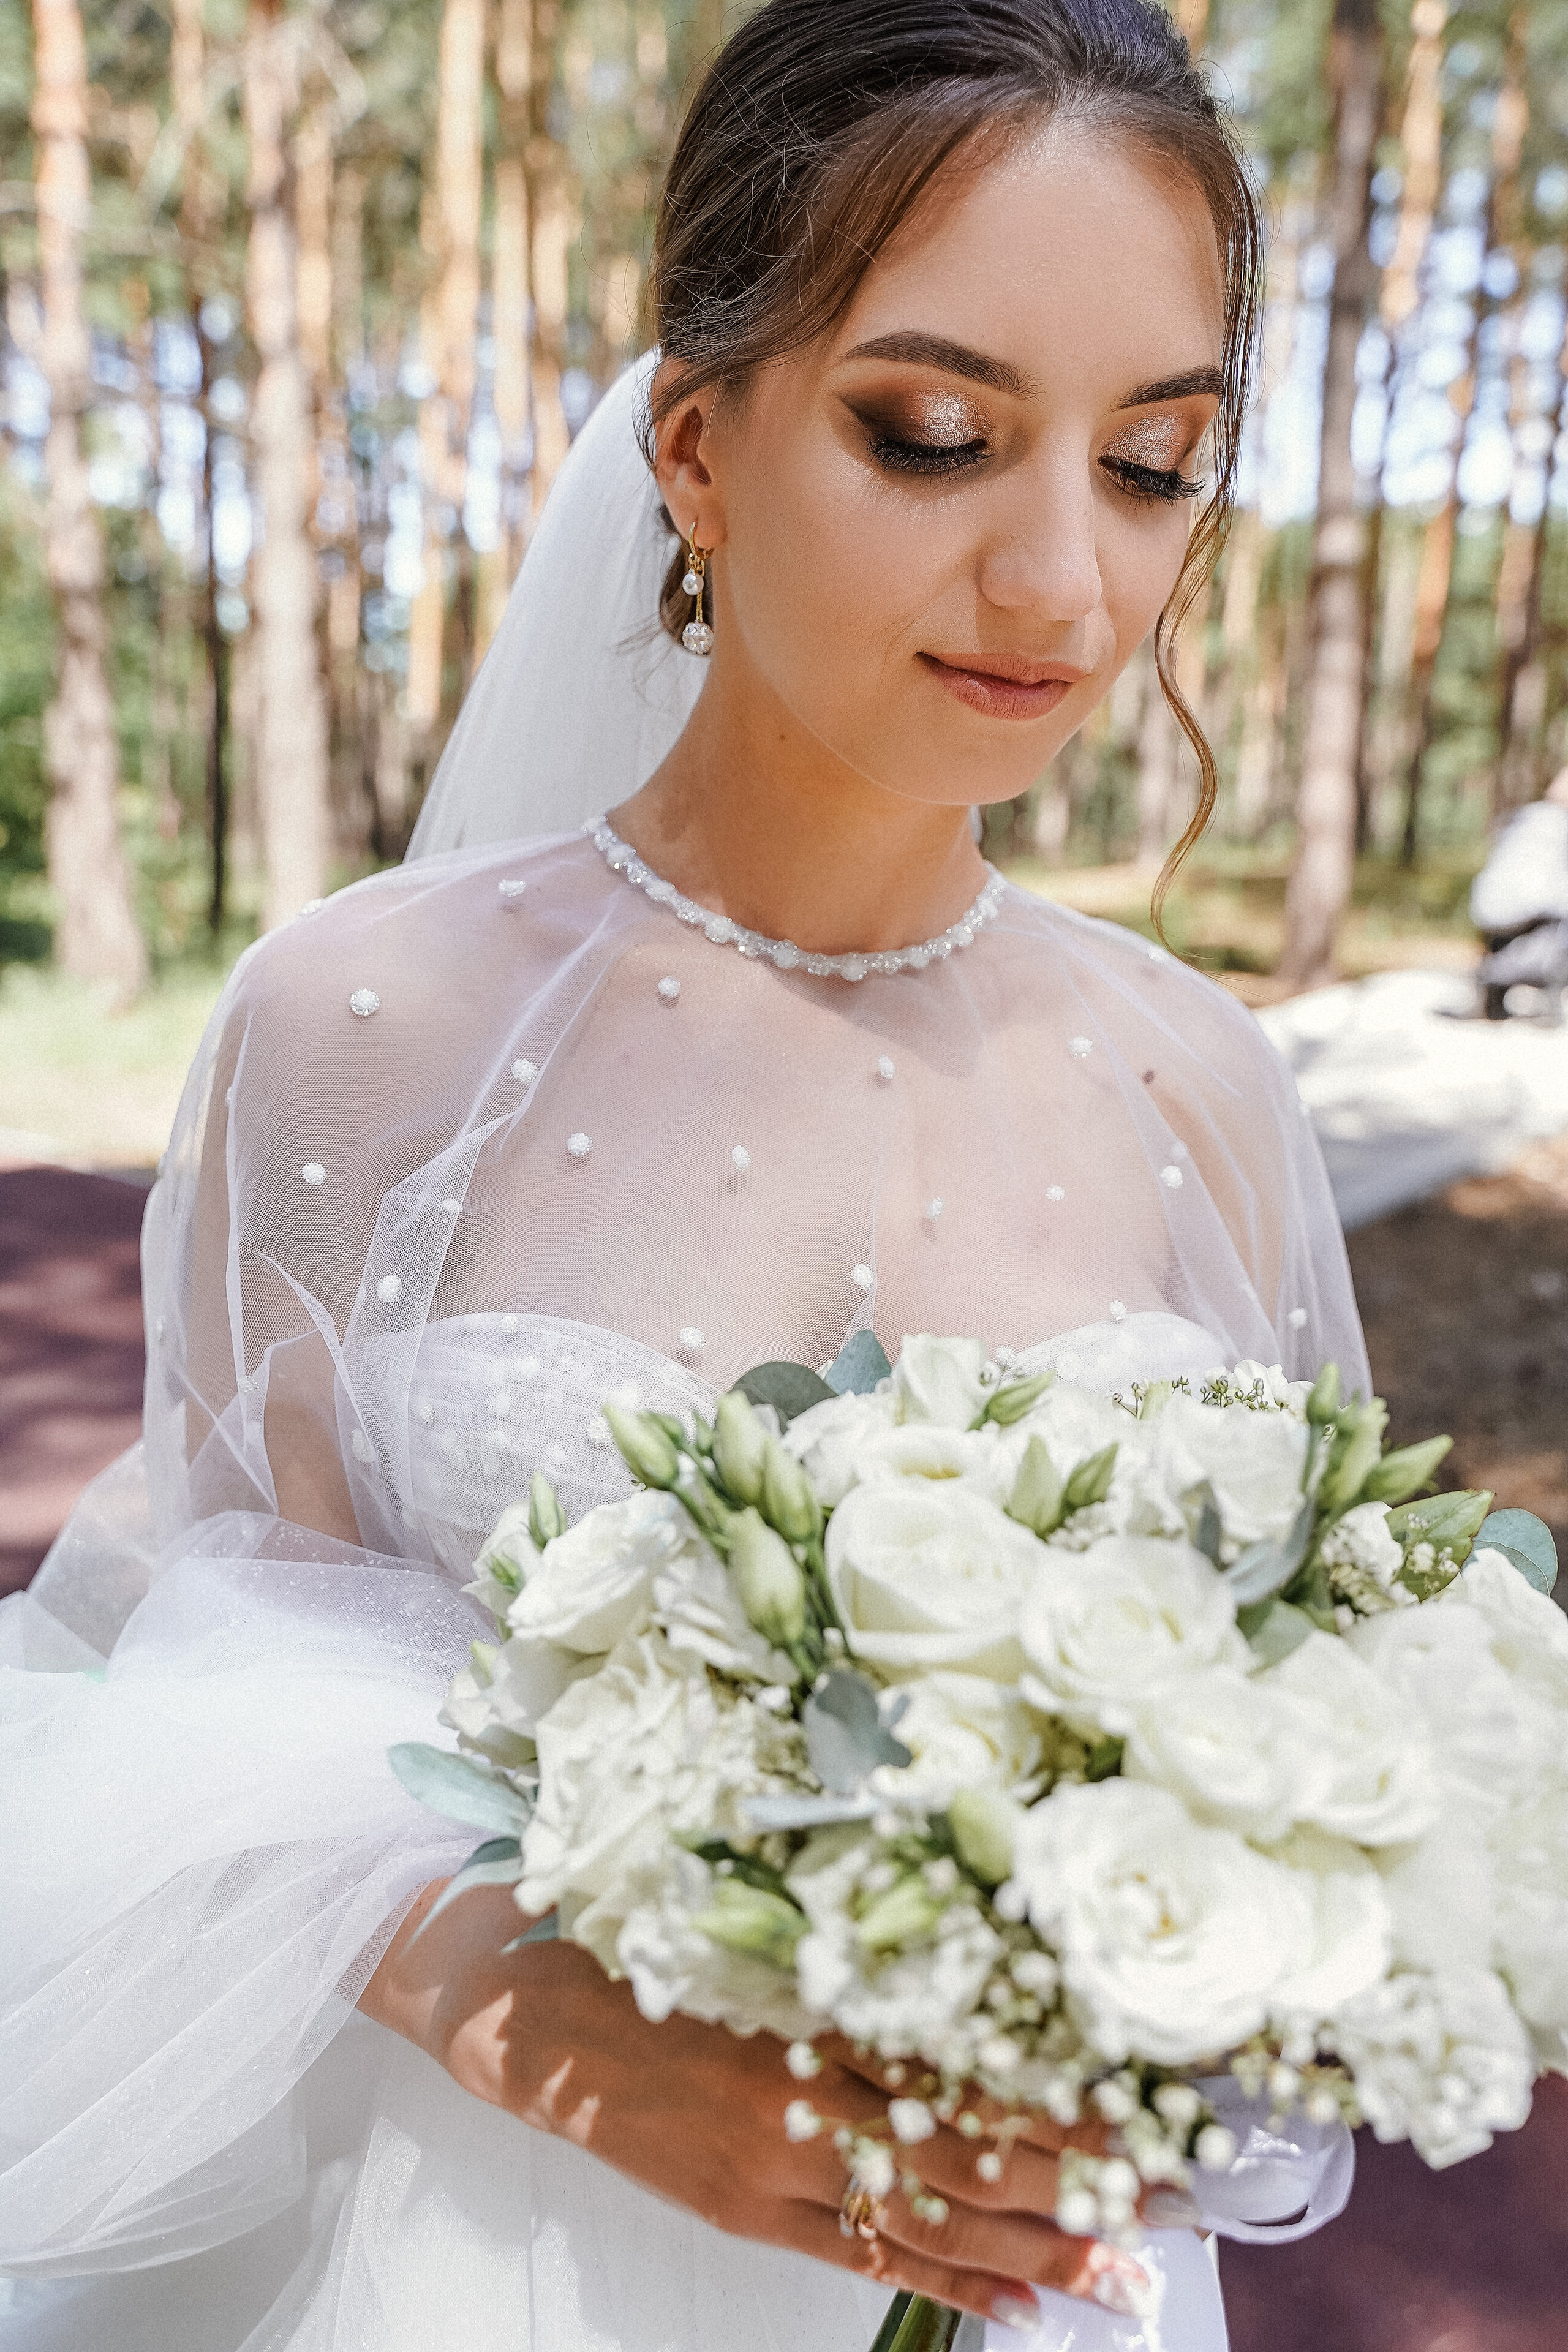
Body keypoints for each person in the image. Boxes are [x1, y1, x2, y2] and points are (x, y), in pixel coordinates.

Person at [0, 4, 1365, 2347]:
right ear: (697, 446)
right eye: (929, 433)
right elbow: (180, 1688)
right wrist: (531, 2014)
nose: (1057, 577)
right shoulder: (364, 1023)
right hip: (477, 2259)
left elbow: (1328, 1744)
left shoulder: (1202, 1086)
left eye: (1150, 465)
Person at [1464, 769, 1568, 1025]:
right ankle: (1522, 980)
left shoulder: (1524, 819)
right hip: (1530, 917)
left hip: (1489, 916)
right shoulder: (1559, 828)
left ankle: (1496, 982)